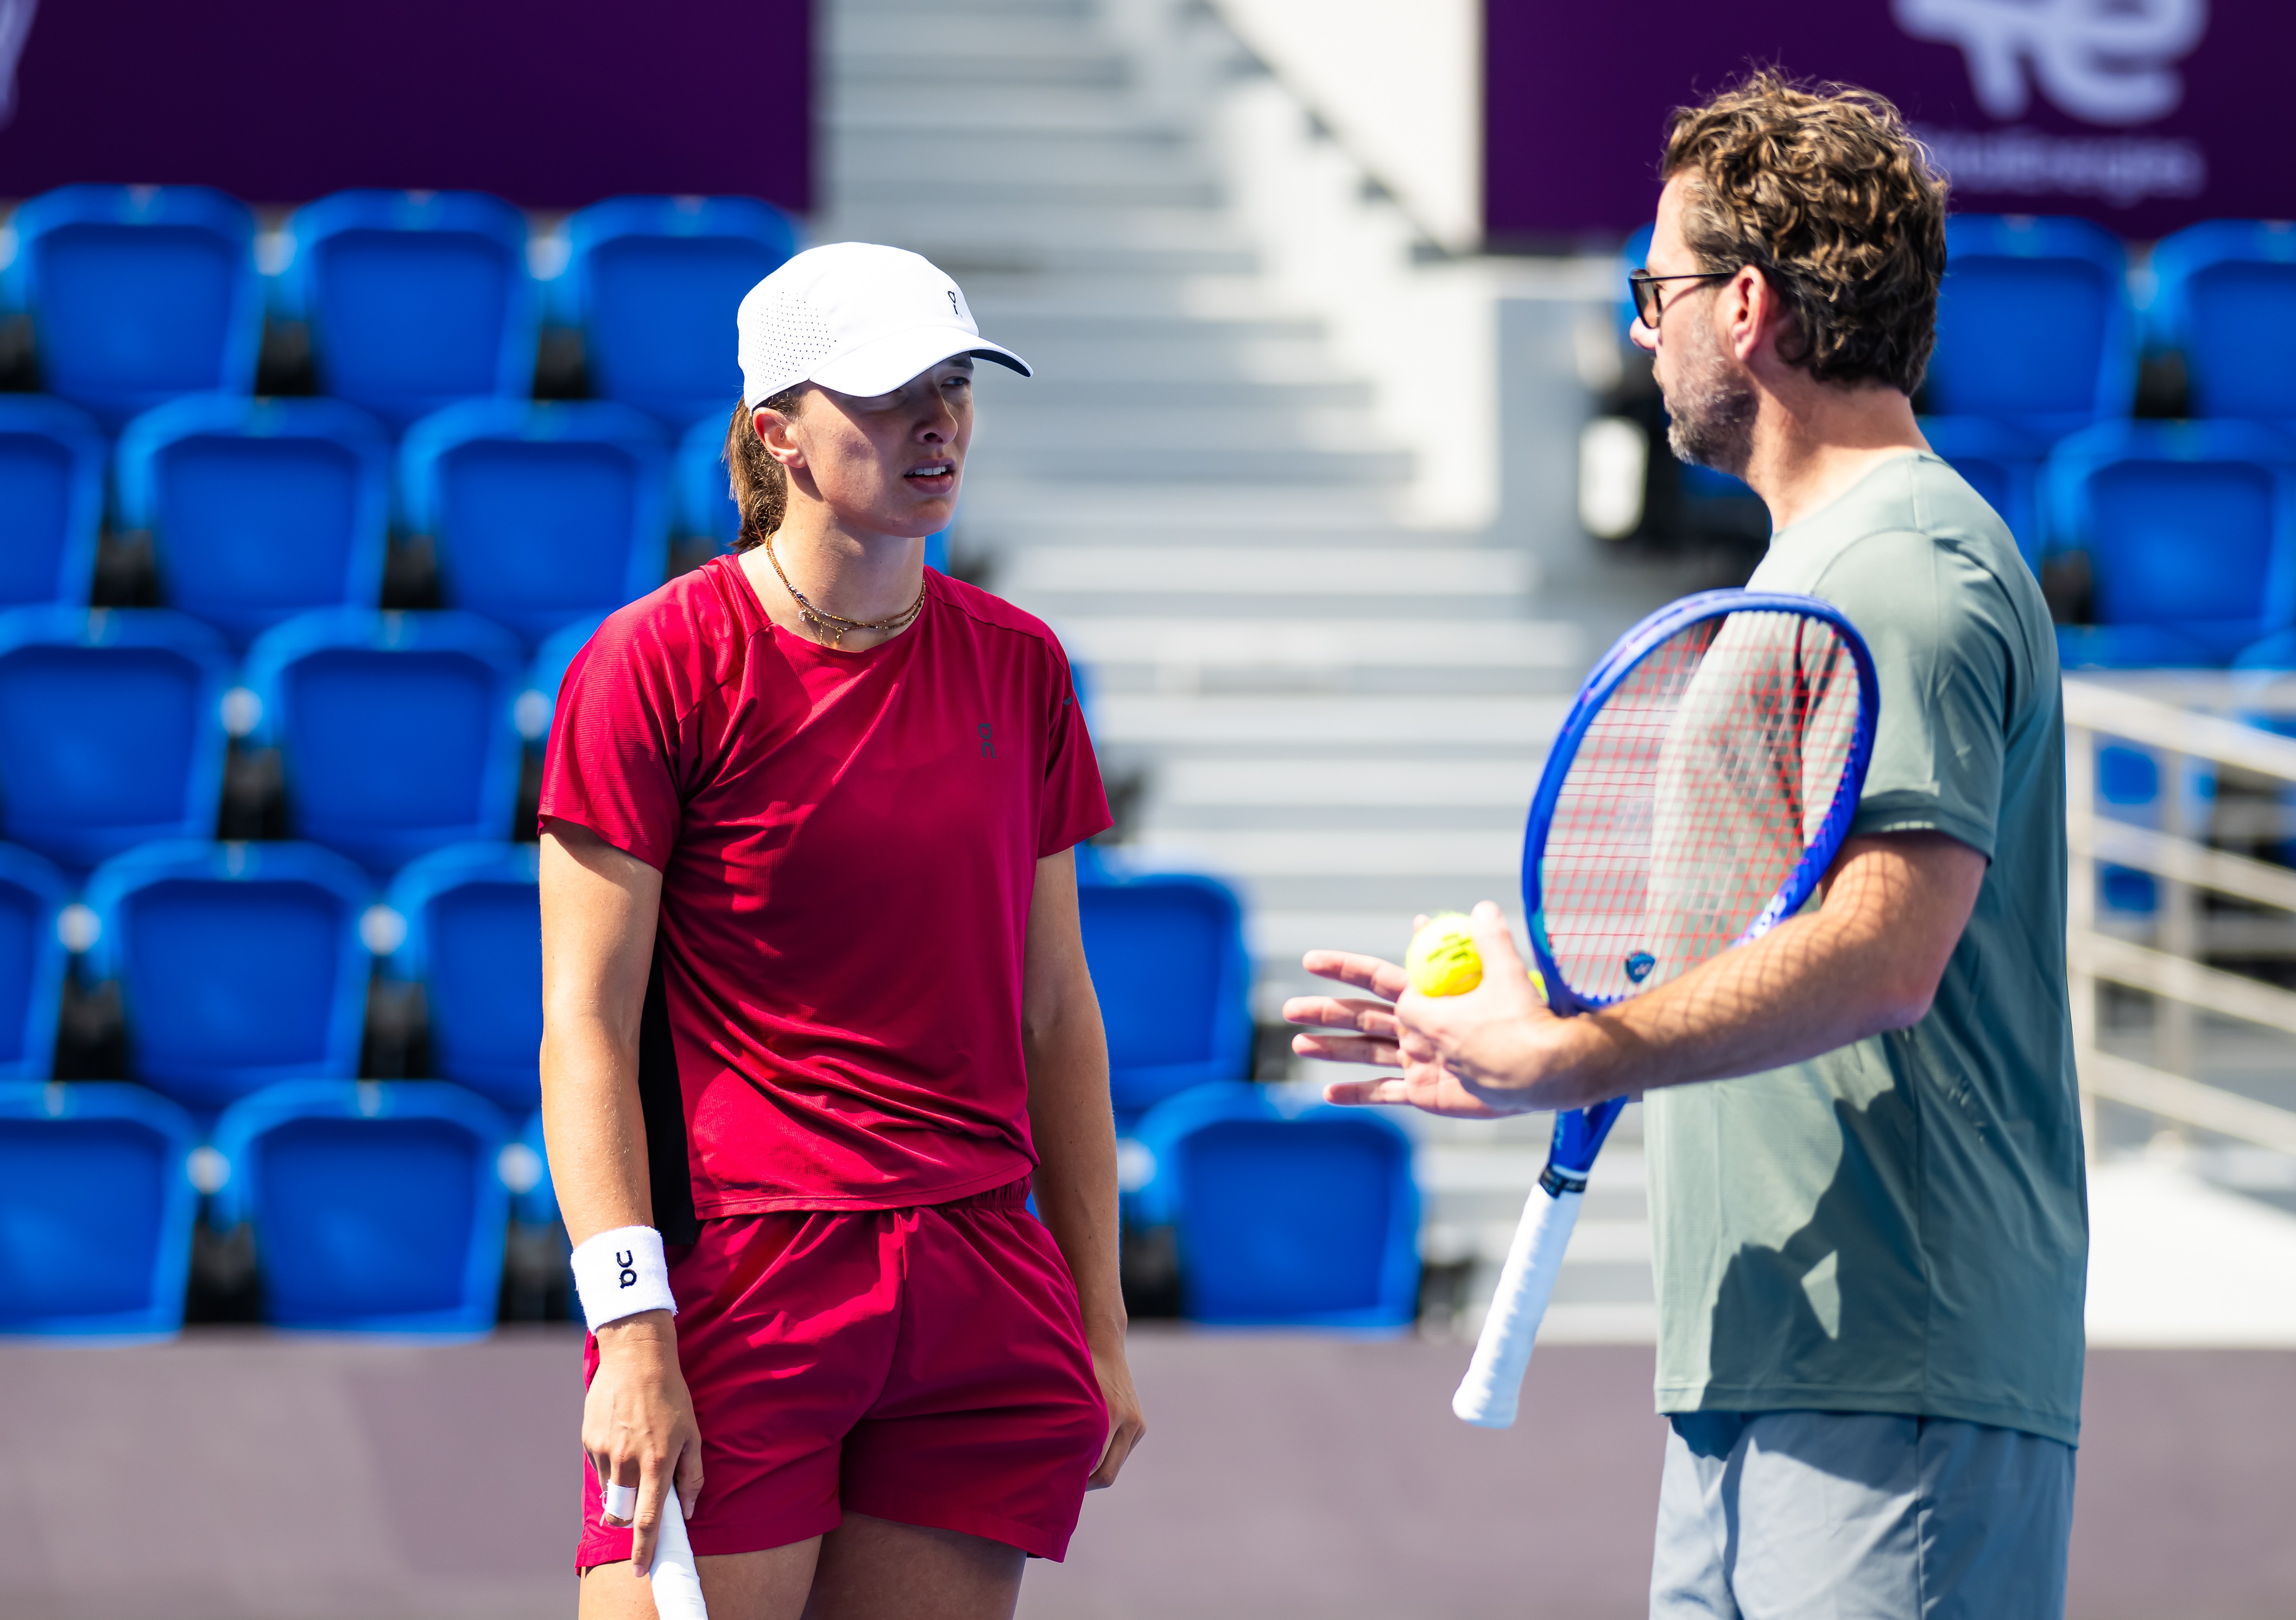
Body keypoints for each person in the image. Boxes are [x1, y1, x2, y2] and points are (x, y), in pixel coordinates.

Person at [1288, 72, 2085, 1619]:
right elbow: (1766, 953)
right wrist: (1544, 1032)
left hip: (1892, 1352)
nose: (1638, 328)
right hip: (1766, 1350)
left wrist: (1577, 1064)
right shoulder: (1820, 569)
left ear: (1745, 306)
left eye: (1652, 291)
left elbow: (1881, 952)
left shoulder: (1909, 569)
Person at [540, 242, 1144, 1620]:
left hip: (981, 1278)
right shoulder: (650, 663)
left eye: (954, 386)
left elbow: (1054, 1009)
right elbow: (580, 1021)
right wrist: (630, 1326)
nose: (936, 424)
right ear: (779, 435)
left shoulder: (1023, 665)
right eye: (886, 397)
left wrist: (1098, 1315)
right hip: (748, 1282)